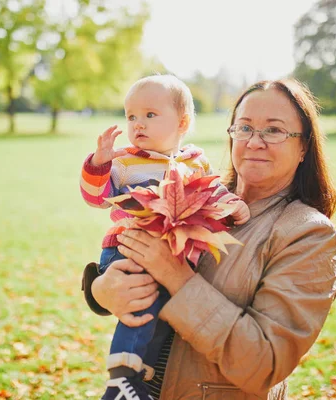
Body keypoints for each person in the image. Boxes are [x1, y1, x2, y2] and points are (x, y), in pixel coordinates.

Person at [82, 78, 336, 399]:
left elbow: (267, 362)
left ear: (303, 146)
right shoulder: (197, 194)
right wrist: (99, 291)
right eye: (244, 128)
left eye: (273, 130)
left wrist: (176, 278)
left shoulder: (307, 233)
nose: (255, 142)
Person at [79, 74, 251, 400]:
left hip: (173, 249)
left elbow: (210, 193)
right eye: (131, 116)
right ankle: (122, 375)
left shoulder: (195, 161)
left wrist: (232, 205)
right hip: (128, 245)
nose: (137, 124)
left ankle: (139, 376)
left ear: (182, 121)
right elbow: (95, 197)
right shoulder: (125, 161)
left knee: (162, 312)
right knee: (141, 302)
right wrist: (98, 164)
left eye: (150, 115)